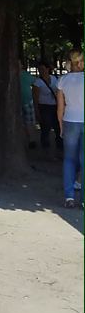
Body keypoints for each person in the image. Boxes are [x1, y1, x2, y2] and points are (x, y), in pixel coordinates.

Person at [56, 50, 84, 208]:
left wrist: (61, 125)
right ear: (81, 62)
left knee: (69, 160)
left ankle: (69, 197)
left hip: (69, 121)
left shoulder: (63, 80)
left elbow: (60, 108)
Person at [32, 60, 62, 153]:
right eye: (39, 69)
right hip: (44, 107)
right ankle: (46, 148)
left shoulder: (55, 78)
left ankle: (60, 146)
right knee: (46, 128)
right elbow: (35, 98)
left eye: (43, 69)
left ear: (48, 69)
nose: (41, 71)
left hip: (55, 106)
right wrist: (37, 111)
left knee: (58, 127)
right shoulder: (38, 82)